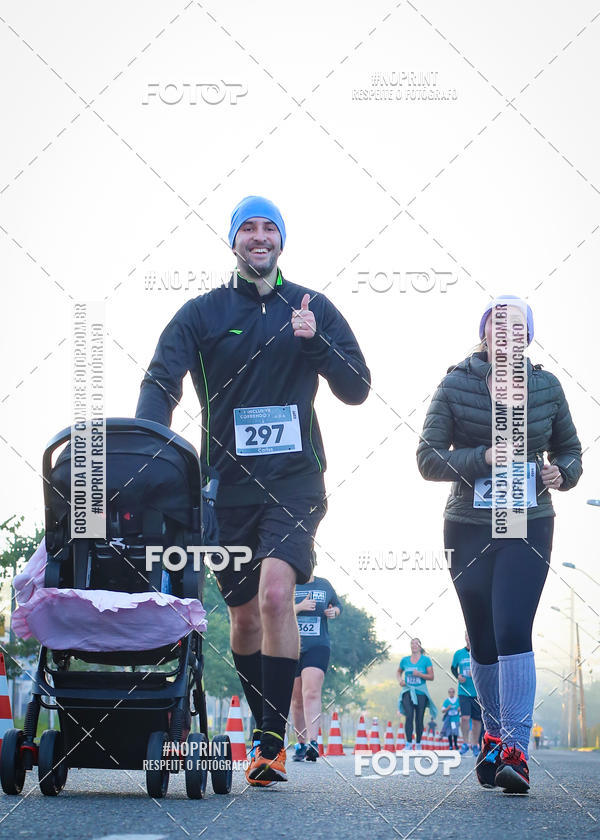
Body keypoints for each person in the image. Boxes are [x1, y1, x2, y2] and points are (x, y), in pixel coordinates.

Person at [136, 195, 370, 786]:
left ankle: (268, 742)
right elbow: (162, 380)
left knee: (274, 596)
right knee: (242, 618)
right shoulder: (203, 313)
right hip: (226, 489)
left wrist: (315, 342)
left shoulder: (311, 307)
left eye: (270, 228)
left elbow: (358, 387)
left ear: (282, 241)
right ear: (234, 241)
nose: (259, 236)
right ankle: (261, 723)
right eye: (248, 228)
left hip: (295, 482)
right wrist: (147, 450)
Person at [417, 296, 582, 793]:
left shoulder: (547, 386)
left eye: (517, 328)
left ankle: (515, 748)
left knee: (513, 626)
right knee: (482, 638)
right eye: (497, 327)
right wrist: (481, 456)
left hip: (528, 518)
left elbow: (570, 450)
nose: (507, 336)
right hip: (467, 522)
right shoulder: (456, 382)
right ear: (485, 333)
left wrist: (562, 472)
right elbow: (427, 459)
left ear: (528, 337)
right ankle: (492, 736)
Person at [290, 567, 342, 761]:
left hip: (317, 646)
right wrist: (299, 607)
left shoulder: (324, 584)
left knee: (311, 692)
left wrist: (333, 611)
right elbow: (275, 610)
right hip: (291, 645)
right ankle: (301, 744)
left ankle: (313, 742)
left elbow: (338, 605)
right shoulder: (289, 583)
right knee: (296, 698)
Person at [397, 638, 437, 749]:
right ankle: (409, 743)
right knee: (409, 716)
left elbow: (431, 677)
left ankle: (418, 743)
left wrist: (420, 674)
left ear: (420, 646)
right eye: (412, 643)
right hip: (408, 691)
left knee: (419, 719)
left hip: (421, 692)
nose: (414, 645)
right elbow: (398, 671)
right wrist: (400, 680)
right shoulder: (405, 660)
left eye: (416, 643)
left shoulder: (426, 660)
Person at [452, 631, 481, 756]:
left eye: (470, 634)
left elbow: (485, 668)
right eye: (466, 635)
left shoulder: (479, 652)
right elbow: (453, 668)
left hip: (478, 692)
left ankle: (475, 744)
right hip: (463, 691)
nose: (468, 637)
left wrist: (476, 674)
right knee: (464, 718)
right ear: (464, 637)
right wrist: (458, 676)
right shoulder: (459, 653)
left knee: (476, 720)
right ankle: (465, 743)